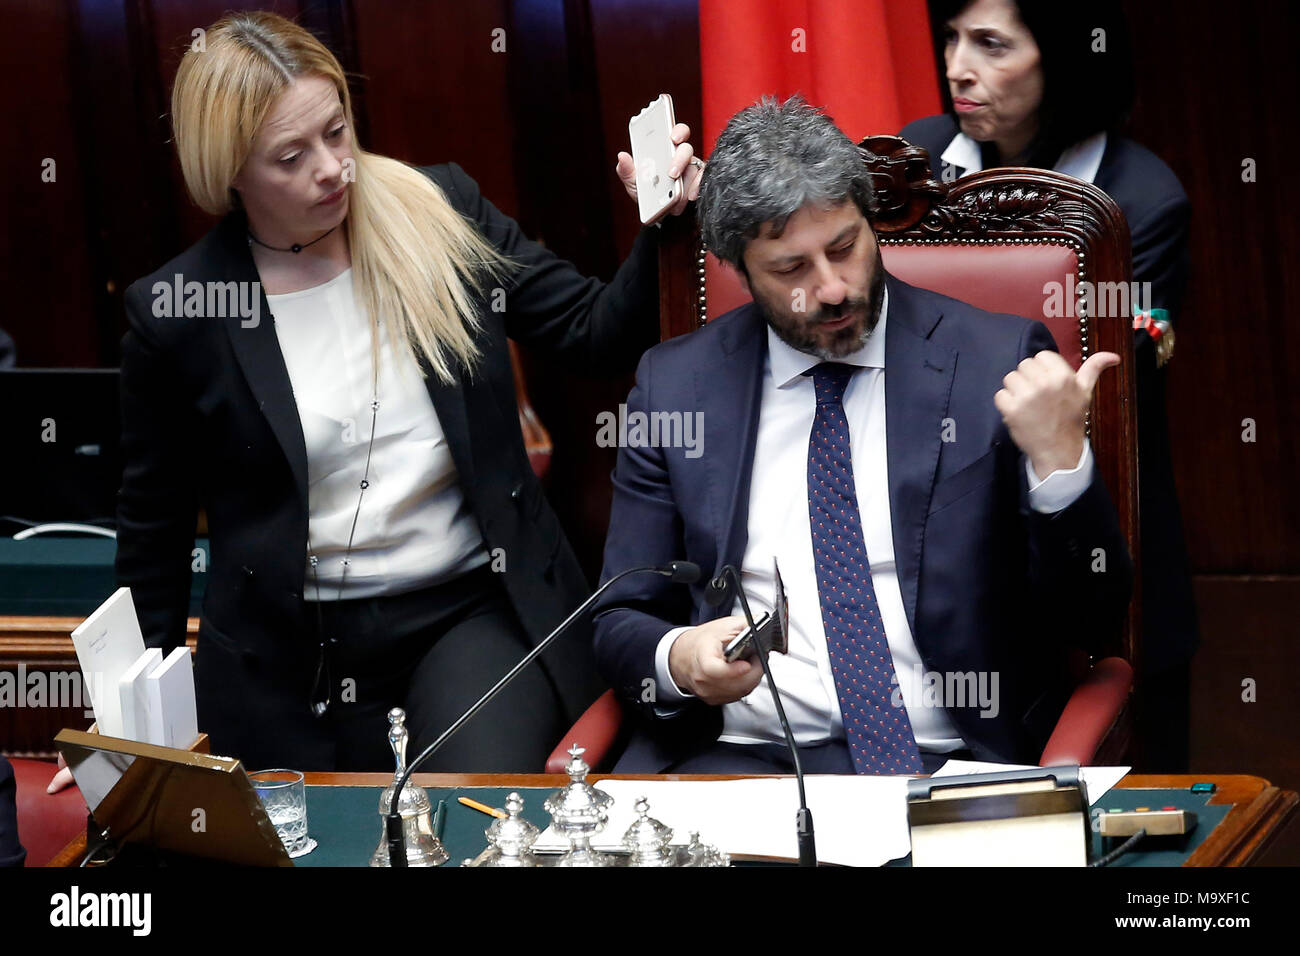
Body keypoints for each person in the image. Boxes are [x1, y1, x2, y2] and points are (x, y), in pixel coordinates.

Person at [104, 12, 702, 775]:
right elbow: (150, 535)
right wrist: (127, 730)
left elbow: (594, 332)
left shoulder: (436, 208)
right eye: (291, 156)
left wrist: (664, 223)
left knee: (464, 823)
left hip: (467, 611)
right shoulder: (181, 311)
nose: (332, 168)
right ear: (229, 174)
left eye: (336, 130)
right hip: (284, 659)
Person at [592, 96, 1132, 774]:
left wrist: (1061, 468)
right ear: (738, 269)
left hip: (948, 762)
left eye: (845, 248)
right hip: (742, 760)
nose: (832, 289)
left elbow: (1091, 617)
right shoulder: (676, 388)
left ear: (870, 222)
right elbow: (620, 617)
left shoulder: (992, 361)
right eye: (790, 269)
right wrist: (682, 660)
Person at [899, 0, 1197, 771]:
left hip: (1084, 518)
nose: (958, 67)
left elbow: (1109, 388)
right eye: (952, 39)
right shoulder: (918, 157)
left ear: (1067, 57)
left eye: (992, 45)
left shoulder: (1140, 198)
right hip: (940, 518)